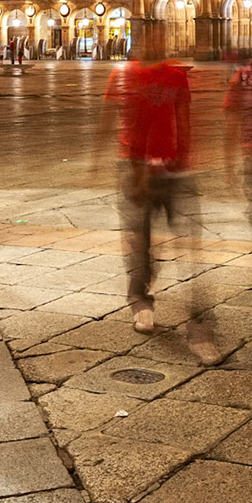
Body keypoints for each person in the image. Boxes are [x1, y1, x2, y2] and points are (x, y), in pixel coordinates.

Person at [102, 33, 217, 365]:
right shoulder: (122, 74)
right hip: (135, 169)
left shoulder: (176, 76)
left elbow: (184, 121)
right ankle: (140, 301)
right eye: (147, 37)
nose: (153, 43)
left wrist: (187, 160)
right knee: (141, 240)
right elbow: (110, 118)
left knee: (190, 248)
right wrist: (107, 161)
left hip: (173, 169)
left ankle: (200, 325)